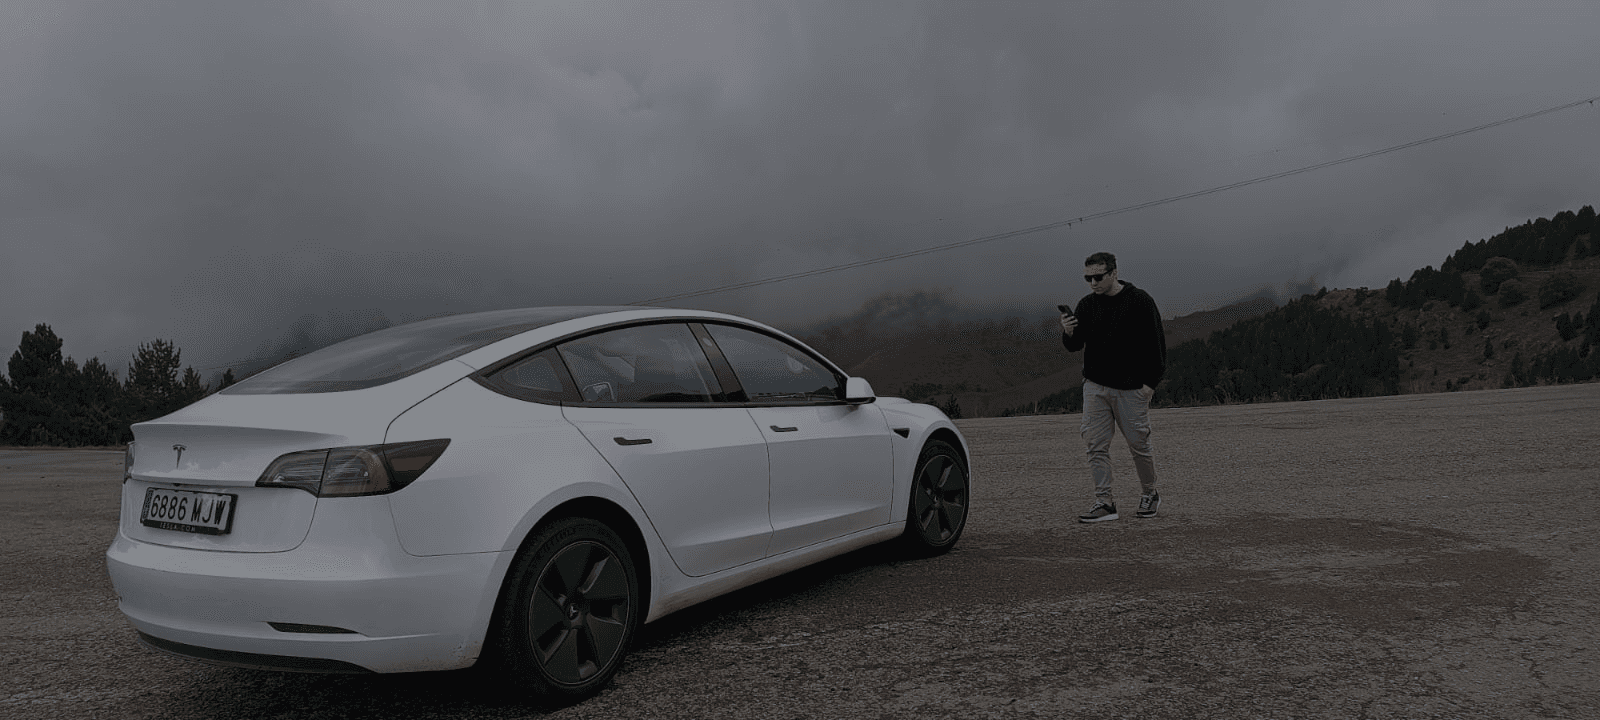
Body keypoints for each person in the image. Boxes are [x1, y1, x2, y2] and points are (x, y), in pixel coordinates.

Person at [1060, 252, 1166, 522]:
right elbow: (1076, 345)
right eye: (1088, 278)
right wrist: (1069, 332)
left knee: (1139, 445)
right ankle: (1104, 502)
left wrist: (1150, 385)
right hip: (1095, 386)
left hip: (1131, 389)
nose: (1093, 283)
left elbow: (1156, 344)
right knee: (1095, 445)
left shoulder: (1140, 300)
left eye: (1098, 277)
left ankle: (1150, 493)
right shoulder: (1087, 304)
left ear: (1114, 273)